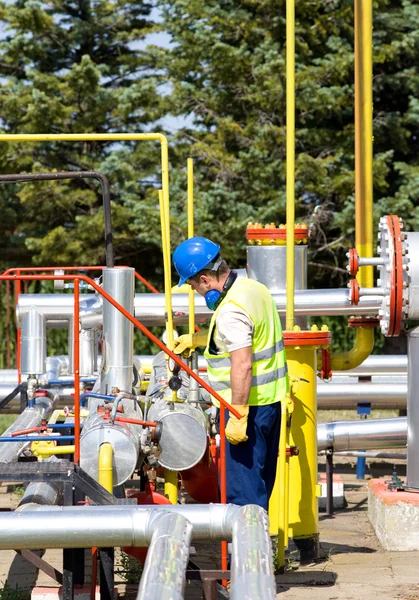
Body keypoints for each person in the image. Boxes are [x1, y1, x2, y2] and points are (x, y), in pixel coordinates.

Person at [172, 236, 288, 511]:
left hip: (246, 409)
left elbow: (243, 363)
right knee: (258, 486)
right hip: (270, 405)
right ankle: (258, 549)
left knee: (242, 496)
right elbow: (252, 336)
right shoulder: (253, 289)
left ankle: (245, 554)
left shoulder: (230, 310)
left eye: (193, 286)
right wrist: (199, 341)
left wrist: (238, 414)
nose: (197, 292)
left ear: (204, 279)